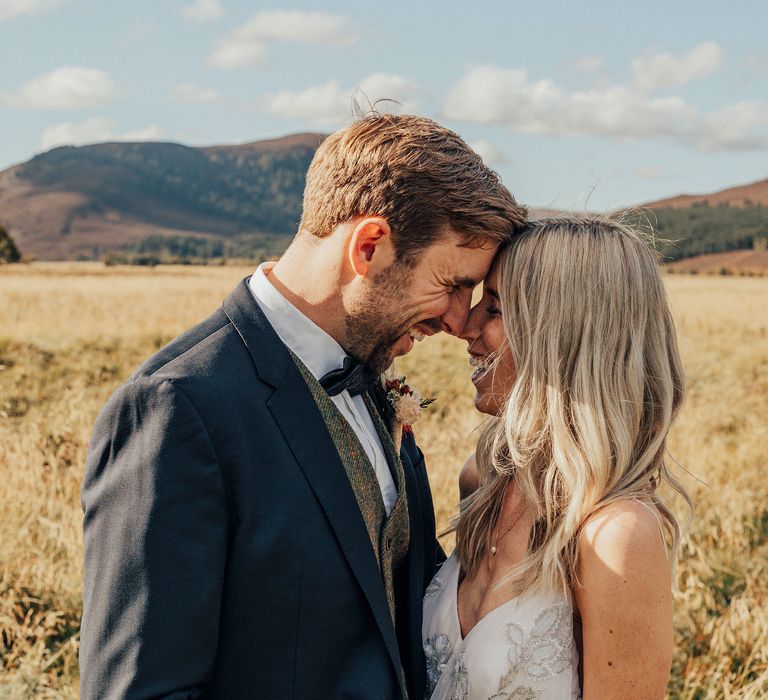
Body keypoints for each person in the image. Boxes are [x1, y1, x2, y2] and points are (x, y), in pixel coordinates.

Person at [79, 113, 527, 699]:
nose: (458, 319)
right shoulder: (176, 409)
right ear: (369, 247)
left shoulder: (371, 378)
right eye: (452, 284)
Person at [423, 217, 692, 699]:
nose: (466, 326)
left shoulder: (616, 536)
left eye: (497, 307)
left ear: (565, 337)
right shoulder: (481, 481)